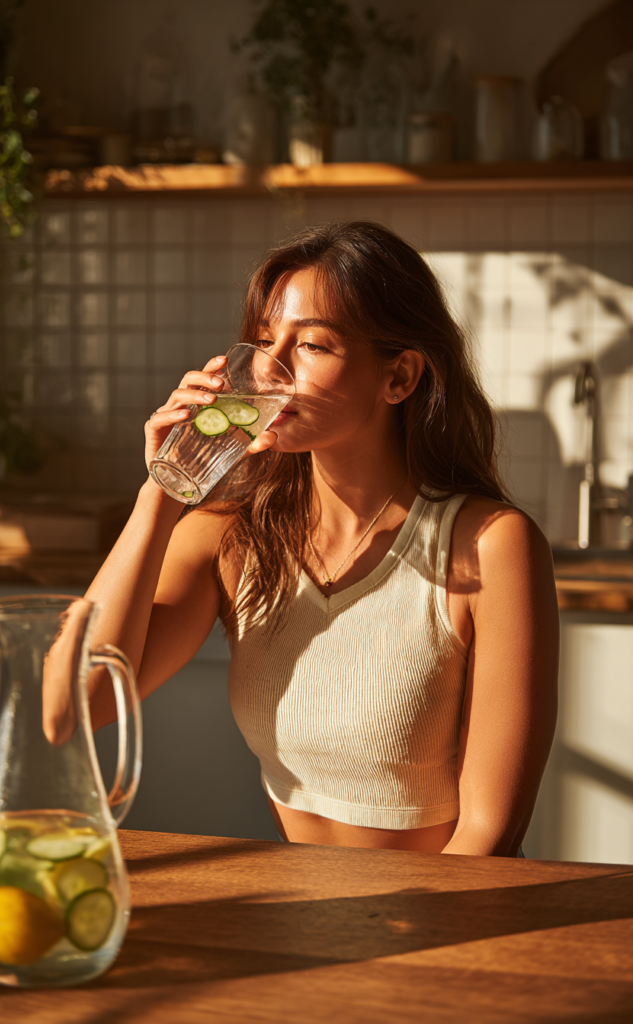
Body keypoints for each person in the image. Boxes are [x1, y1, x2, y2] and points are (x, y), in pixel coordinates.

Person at [84, 221, 559, 856]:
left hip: (444, 920)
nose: (269, 368)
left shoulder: (491, 545)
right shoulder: (231, 540)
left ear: (400, 378)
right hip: (297, 913)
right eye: (261, 340)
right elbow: (74, 709)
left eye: (310, 345)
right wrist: (162, 491)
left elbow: (489, 833)